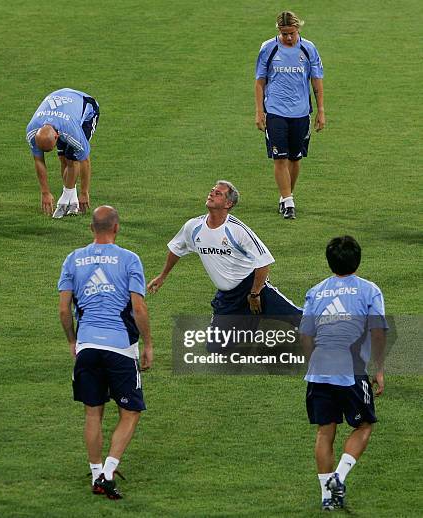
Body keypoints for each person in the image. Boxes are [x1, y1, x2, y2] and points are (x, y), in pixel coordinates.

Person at [58, 206, 153, 499]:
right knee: (131, 411)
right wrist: (148, 343)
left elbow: (64, 309)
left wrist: (73, 340)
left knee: (92, 413)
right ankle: (108, 472)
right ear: (117, 228)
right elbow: (138, 308)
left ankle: (96, 472)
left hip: (87, 345)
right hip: (120, 347)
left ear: (91, 228)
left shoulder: (73, 259)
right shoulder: (129, 259)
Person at [147, 181, 302, 342]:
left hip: (252, 287)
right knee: (217, 347)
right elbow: (176, 249)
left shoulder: (237, 230)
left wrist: (254, 294)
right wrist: (162, 275)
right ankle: (252, 325)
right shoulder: (193, 227)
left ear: (228, 204)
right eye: (212, 190)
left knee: (299, 319)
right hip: (227, 298)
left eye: (218, 193)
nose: (212, 194)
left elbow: (264, 262)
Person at [300, 236, 387, 510]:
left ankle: (327, 499)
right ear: (357, 260)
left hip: (318, 370)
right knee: (364, 425)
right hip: (351, 370)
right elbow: (377, 331)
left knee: (325, 432)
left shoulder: (315, 291)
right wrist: (379, 368)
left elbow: (305, 334)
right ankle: (339, 476)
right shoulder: (369, 290)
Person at [255, 11, 325, 219]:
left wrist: (321, 111)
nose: (288, 37)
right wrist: (259, 111)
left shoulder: (309, 48)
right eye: (284, 33)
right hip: (275, 111)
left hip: (301, 112)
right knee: (280, 157)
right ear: (278, 30)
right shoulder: (268, 48)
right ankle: (289, 203)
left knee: (295, 158)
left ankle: (286, 196)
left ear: (298, 30)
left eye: (291, 33)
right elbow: (260, 81)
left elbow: (316, 81)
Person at [26, 88, 100, 219]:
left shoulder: (70, 132)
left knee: (72, 158)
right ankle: (73, 202)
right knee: (63, 158)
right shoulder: (32, 131)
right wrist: (45, 192)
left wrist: (84, 192)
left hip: (86, 108)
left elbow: (85, 160)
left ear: (57, 136)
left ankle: (65, 201)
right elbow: (38, 160)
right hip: (62, 109)